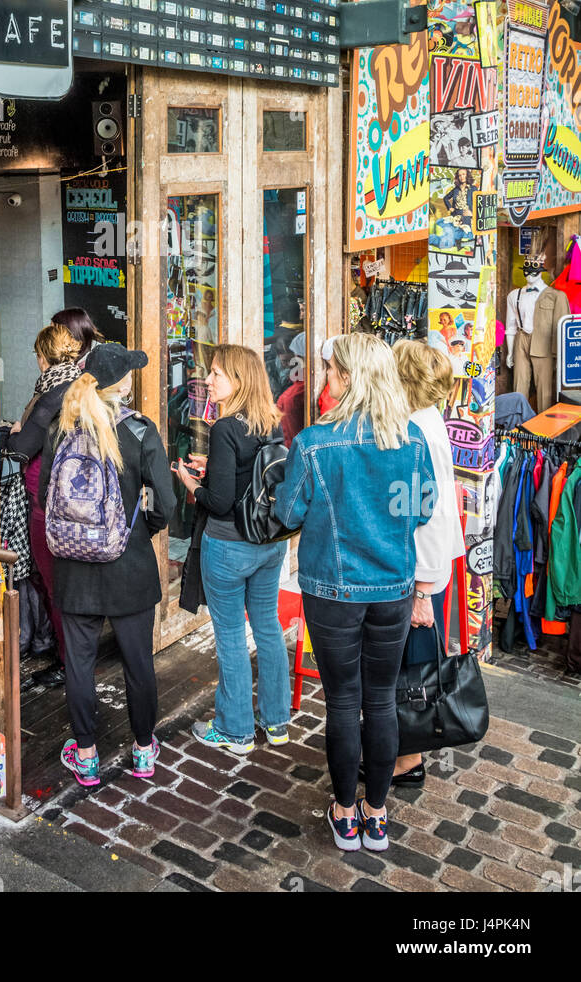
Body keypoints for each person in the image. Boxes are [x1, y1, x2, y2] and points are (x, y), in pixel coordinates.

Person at [275, 334, 436, 853]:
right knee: (380, 699)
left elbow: (288, 512)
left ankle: (345, 814)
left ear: (349, 378)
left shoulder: (317, 442)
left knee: (343, 701)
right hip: (392, 586)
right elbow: (423, 510)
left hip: (333, 591)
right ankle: (377, 813)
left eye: (332, 373)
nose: (326, 381)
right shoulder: (410, 440)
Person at [38, 342, 176, 787]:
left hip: (74, 568)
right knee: (138, 663)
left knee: (79, 664)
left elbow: (44, 497)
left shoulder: (62, 429)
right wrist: (142, 530)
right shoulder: (138, 431)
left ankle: (87, 755)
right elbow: (167, 503)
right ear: (122, 383)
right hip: (128, 565)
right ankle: (142, 750)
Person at [174, 344, 290, 753]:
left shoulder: (225, 428)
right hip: (268, 543)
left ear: (238, 381)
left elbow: (220, 501)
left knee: (230, 637)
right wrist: (215, 475)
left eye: (217, 373)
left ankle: (235, 729)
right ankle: (276, 722)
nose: (208, 380)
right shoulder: (269, 421)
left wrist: (191, 484)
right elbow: (252, 479)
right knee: (267, 627)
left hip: (229, 545)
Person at [389, 340, 466, 787]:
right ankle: (403, 752)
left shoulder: (418, 430)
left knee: (412, 672)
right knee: (409, 668)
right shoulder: (426, 422)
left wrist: (422, 592)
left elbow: (431, 516)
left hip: (421, 573)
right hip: (425, 570)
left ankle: (408, 760)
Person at [2, 322, 82, 685]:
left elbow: (21, 450)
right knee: (63, 581)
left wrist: (11, 432)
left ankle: (68, 661)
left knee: (55, 582)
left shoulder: (51, 393)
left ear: (43, 357)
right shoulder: (80, 383)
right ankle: (69, 653)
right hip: (70, 493)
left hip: (46, 497)